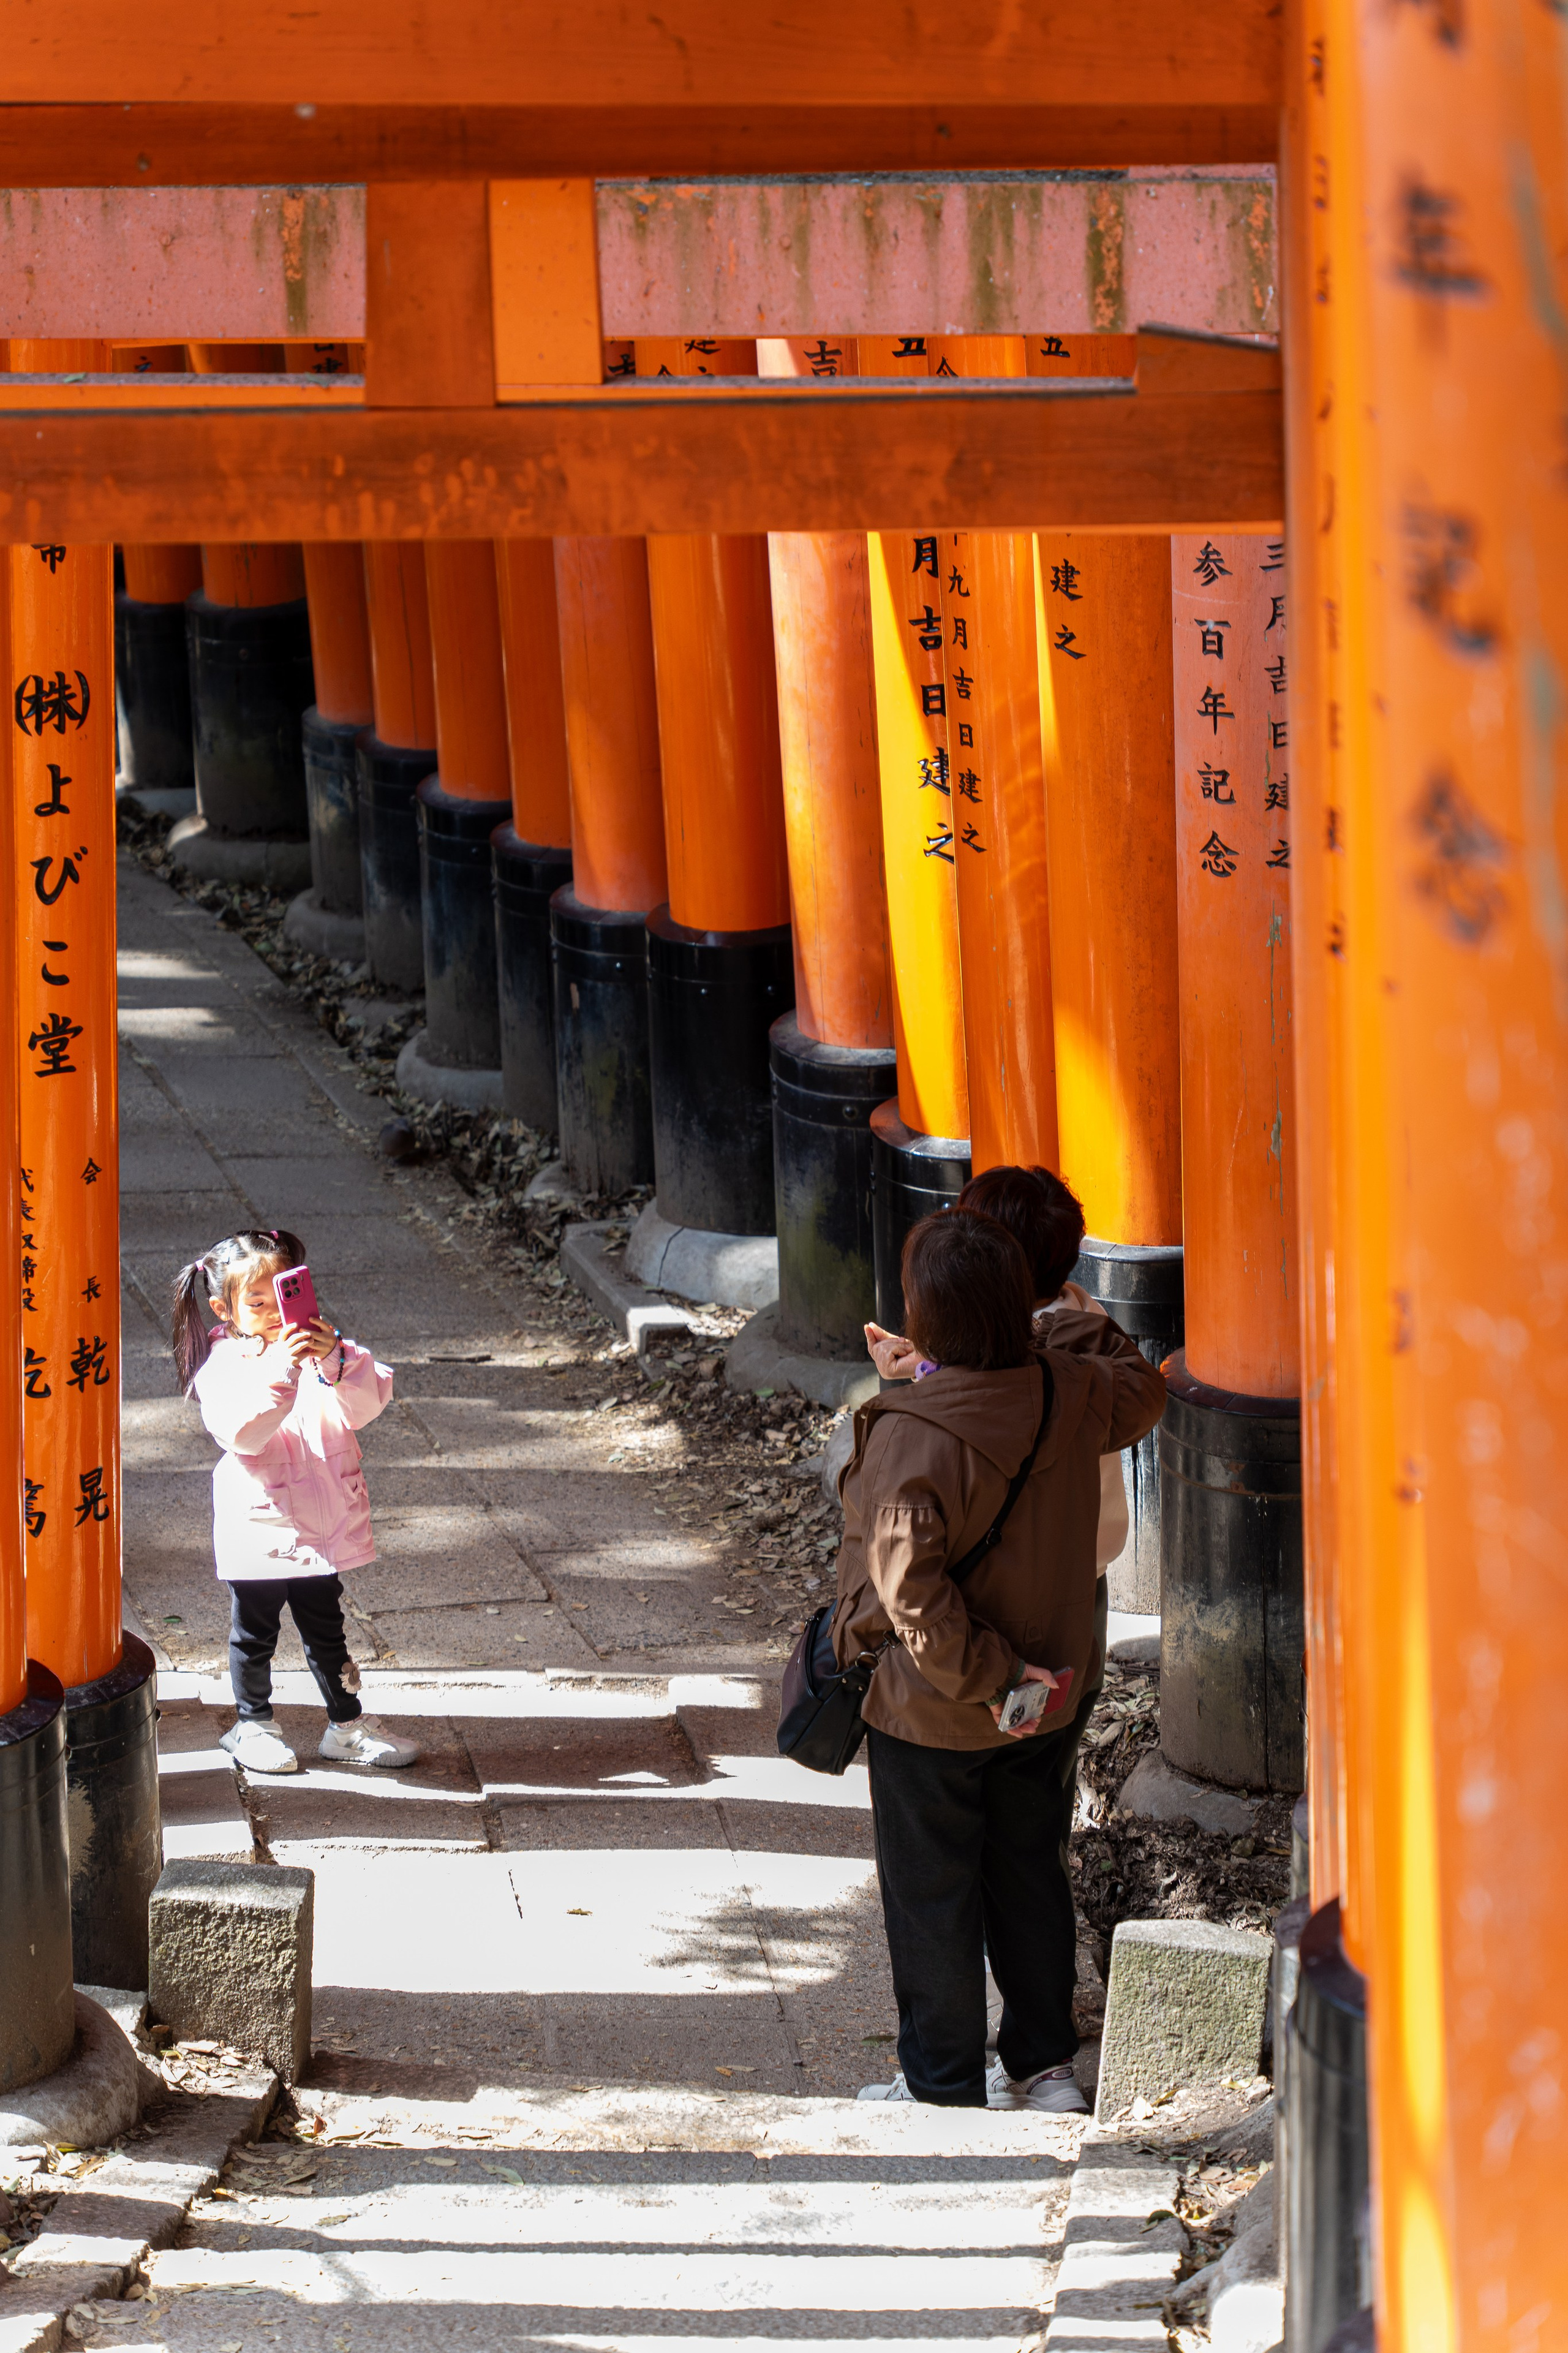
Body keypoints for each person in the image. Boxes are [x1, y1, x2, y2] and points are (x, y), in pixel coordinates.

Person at [840, 1208, 1166, 2111]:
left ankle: (942, 2083)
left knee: (932, 1890)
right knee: (1028, 1866)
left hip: (935, 1707)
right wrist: (1066, 1310)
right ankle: (1045, 2064)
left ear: (926, 1319)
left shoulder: (910, 1428)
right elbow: (1146, 1385)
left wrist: (991, 1678)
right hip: (1048, 1694)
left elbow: (912, 1595)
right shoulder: (1072, 1390)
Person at [172, 1227, 420, 1777]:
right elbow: (244, 1432)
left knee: (327, 1627)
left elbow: (365, 1405)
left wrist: (338, 1359)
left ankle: (346, 1723)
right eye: (254, 1301)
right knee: (254, 1631)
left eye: (280, 1293)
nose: (271, 1310)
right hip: (261, 1520)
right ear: (224, 1307)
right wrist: (285, 1369)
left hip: (321, 1520)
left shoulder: (316, 1350)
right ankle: (253, 1724)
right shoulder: (224, 1365)